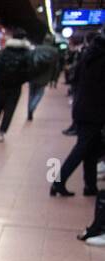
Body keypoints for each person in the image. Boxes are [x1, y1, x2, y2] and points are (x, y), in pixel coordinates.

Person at [52, 31, 105, 197]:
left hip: (83, 107)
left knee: (91, 149)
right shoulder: (103, 59)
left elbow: (75, 79)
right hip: (95, 111)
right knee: (82, 148)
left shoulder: (88, 55)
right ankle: (59, 182)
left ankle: (90, 187)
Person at [0, 29, 34, 142]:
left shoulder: (4, 51)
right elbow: (30, 71)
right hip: (15, 88)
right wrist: (21, 81)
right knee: (10, 109)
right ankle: (2, 133)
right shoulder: (27, 54)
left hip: (1, 85)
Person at [27, 37, 61, 120]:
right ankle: (32, 107)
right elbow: (56, 66)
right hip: (45, 76)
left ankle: (29, 111)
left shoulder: (37, 48)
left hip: (33, 75)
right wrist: (54, 78)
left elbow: (29, 60)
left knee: (31, 94)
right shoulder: (55, 51)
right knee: (39, 93)